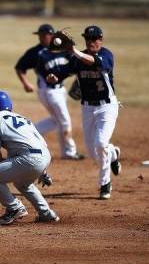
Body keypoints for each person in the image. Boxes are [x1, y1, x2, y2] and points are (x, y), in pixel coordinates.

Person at [46, 25, 121, 199]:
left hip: (107, 108)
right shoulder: (78, 58)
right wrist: (54, 77)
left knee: (100, 143)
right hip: (87, 108)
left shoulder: (106, 55)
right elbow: (62, 72)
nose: (91, 42)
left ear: (101, 40)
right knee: (93, 153)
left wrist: (74, 51)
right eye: (87, 39)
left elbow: (95, 62)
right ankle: (113, 154)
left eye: (94, 39)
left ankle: (105, 184)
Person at [0, 90, 59, 225]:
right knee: (22, 183)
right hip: (45, 156)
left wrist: (0, 169)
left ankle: (14, 208)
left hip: (28, 159)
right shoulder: (23, 118)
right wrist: (43, 171)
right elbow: (41, 144)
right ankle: (46, 213)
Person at [15, 23, 84, 160]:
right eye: (41, 35)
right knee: (64, 121)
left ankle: (27, 136)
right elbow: (19, 67)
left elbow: (76, 64)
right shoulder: (35, 52)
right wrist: (26, 83)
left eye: (45, 35)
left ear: (52, 35)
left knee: (56, 121)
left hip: (60, 90)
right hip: (48, 92)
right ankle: (70, 152)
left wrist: (79, 78)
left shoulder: (62, 50)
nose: (43, 37)